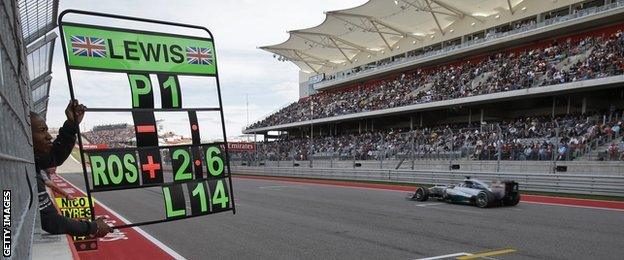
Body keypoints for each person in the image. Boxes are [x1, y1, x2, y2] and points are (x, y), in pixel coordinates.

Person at [31, 100, 112, 237]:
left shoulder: (29, 158)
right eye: (42, 130)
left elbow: (54, 157)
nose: (49, 136)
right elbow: (52, 222)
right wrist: (93, 227)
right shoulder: (19, 172)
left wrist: (71, 125)